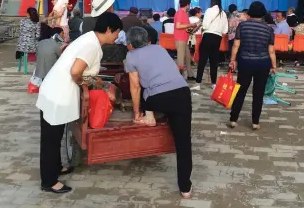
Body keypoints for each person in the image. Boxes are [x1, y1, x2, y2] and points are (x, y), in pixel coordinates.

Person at [36, 12, 123, 194]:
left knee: (55, 136)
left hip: (54, 89)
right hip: (58, 94)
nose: (117, 36)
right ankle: (49, 181)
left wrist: (92, 78)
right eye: (116, 32)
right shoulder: (91, 45)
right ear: (108, 30)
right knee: (51, 140)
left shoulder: (89, 39)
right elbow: (76, 72)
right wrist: (86, 83)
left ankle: (56, 167)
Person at [125, 27, 193, 198]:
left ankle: (149, 117)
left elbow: (135, 86)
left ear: (130, 44)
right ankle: (185, 187)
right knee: (183, 142)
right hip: (182, 93)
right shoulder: (160, 49)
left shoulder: (131, 56)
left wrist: (136, 112)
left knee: (147, 93)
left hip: (157, 99)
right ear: (147, 40)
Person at [229, 1, 277, 130]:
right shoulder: (269, 29)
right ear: (263, 13)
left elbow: (236, 45)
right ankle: (255, 122)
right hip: (263, 63)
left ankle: (233, 119)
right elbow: (271, 51)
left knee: (240, 90)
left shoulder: (242, 26)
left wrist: (232, 60)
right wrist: (274, 66)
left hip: (245, 62)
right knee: (258, 93)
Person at [192, 0, 228, 90]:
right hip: (218, 38)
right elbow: (225, 30)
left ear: (212, 2)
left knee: (202, 61)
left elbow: (206, 25)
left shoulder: (209, 10)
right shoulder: (223, 13)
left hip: (208, 36)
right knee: (214, 61)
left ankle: (198, 83)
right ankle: (213, 83)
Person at [174, 0, 195, 81]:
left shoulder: (185, 14)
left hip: (184, 38)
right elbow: (178, 26)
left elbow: (186, 28)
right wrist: (190, 25)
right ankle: (179, 77)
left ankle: (190, 75)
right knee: (181, 58)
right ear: (187, 4)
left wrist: (195, 26)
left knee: (187, 57)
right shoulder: (180, 13)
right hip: (180, 38)